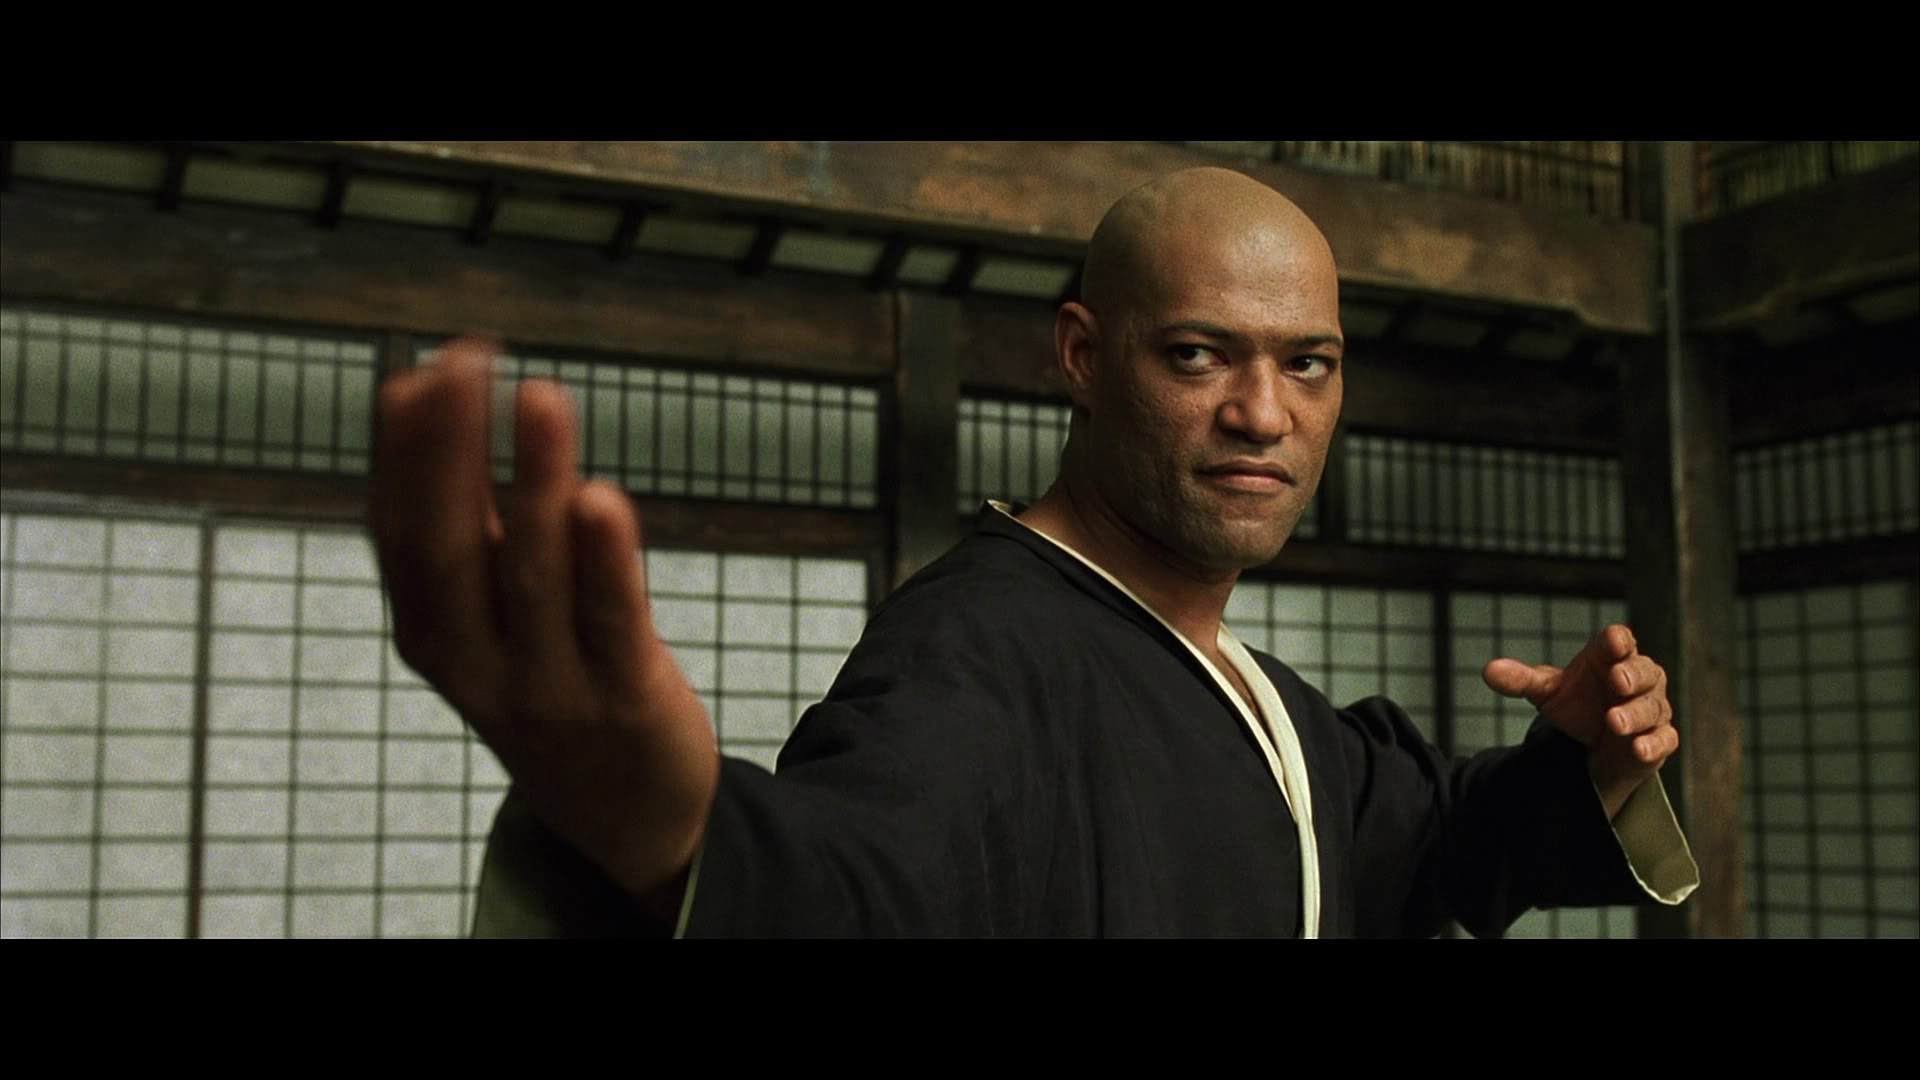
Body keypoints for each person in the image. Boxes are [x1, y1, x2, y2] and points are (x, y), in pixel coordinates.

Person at [368, 166, 1699, 938]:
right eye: (1200, 354)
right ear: (1082, 355)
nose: (1264, 412)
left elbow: (1435, 836)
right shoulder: (975, 654)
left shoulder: (1265, 706)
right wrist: (670, 831)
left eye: (1309, 363)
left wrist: (1584, 764)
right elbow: (865, 883)